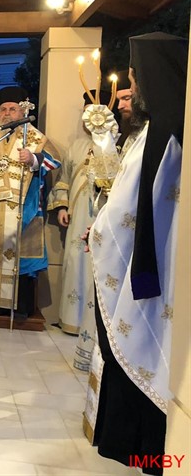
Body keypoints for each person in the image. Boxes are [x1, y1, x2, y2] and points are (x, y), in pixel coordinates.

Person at [89, 33, 187, 475]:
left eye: (133, 80)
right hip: (160, 258)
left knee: (142, 350)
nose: (130, 90)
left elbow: (124, 210)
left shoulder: (159, 134)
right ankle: (153, 454)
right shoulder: (164, 128)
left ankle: (150, 454)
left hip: (149, 263)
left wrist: (98, 231)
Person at [0, 86, 61, 318]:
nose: (7, 113)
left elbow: (54, 161)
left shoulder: (35, 138)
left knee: (20, 259)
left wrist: (33, 158)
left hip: (23, 209)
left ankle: (18, 307)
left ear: (22, 111)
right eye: (3, 109)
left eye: (12, 109)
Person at [48, 90, 112, 371]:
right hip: (76, 218)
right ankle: (71, 321)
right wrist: (62, 206)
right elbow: (63, 179)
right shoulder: (75, 146)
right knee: (75, 264)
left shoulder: (115, 142)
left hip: (103, 214)